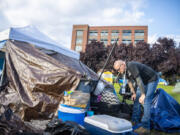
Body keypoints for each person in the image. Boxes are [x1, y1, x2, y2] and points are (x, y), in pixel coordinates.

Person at [113, 60, 159, 134]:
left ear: (123, 64)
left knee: (147, 101)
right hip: (143, 81)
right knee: (136, 100)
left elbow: (138, 80)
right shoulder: (124, 70)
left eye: (118, 69)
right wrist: (133, 93)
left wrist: (143, 94)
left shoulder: (131, 65)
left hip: (152, 79)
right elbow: (129, 81)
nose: (118, 71)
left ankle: (145, 127)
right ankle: (134, 121)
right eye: (116, 70)